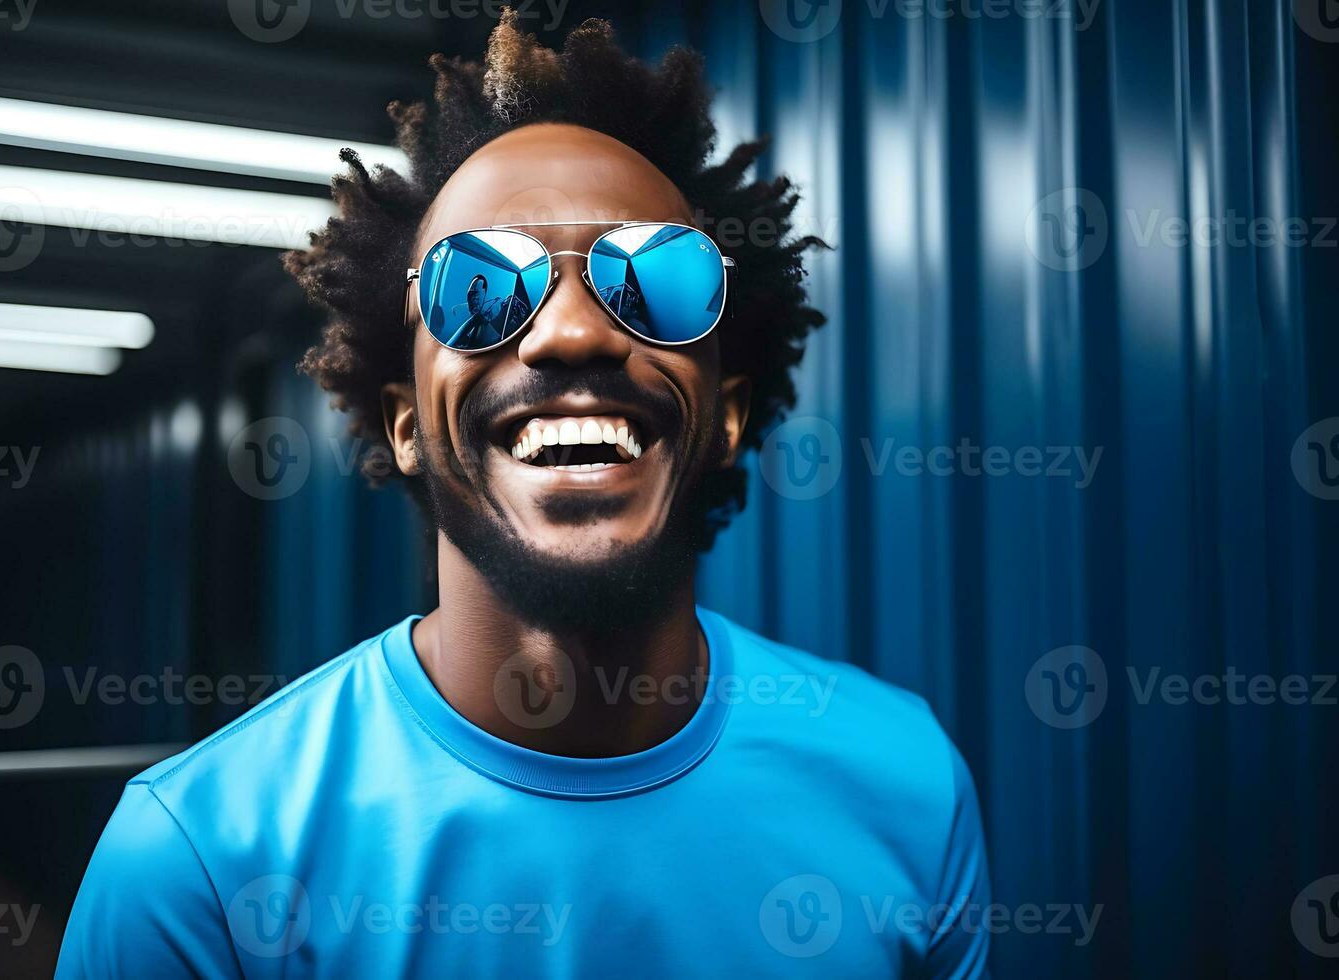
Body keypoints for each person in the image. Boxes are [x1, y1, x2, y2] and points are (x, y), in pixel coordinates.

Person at [56, 14, 990, 978]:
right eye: (480, 288)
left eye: (656, 279)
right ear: (407, 426)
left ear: (726, 417)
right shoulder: (199, 863)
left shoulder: (907, 785)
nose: (570, 334)